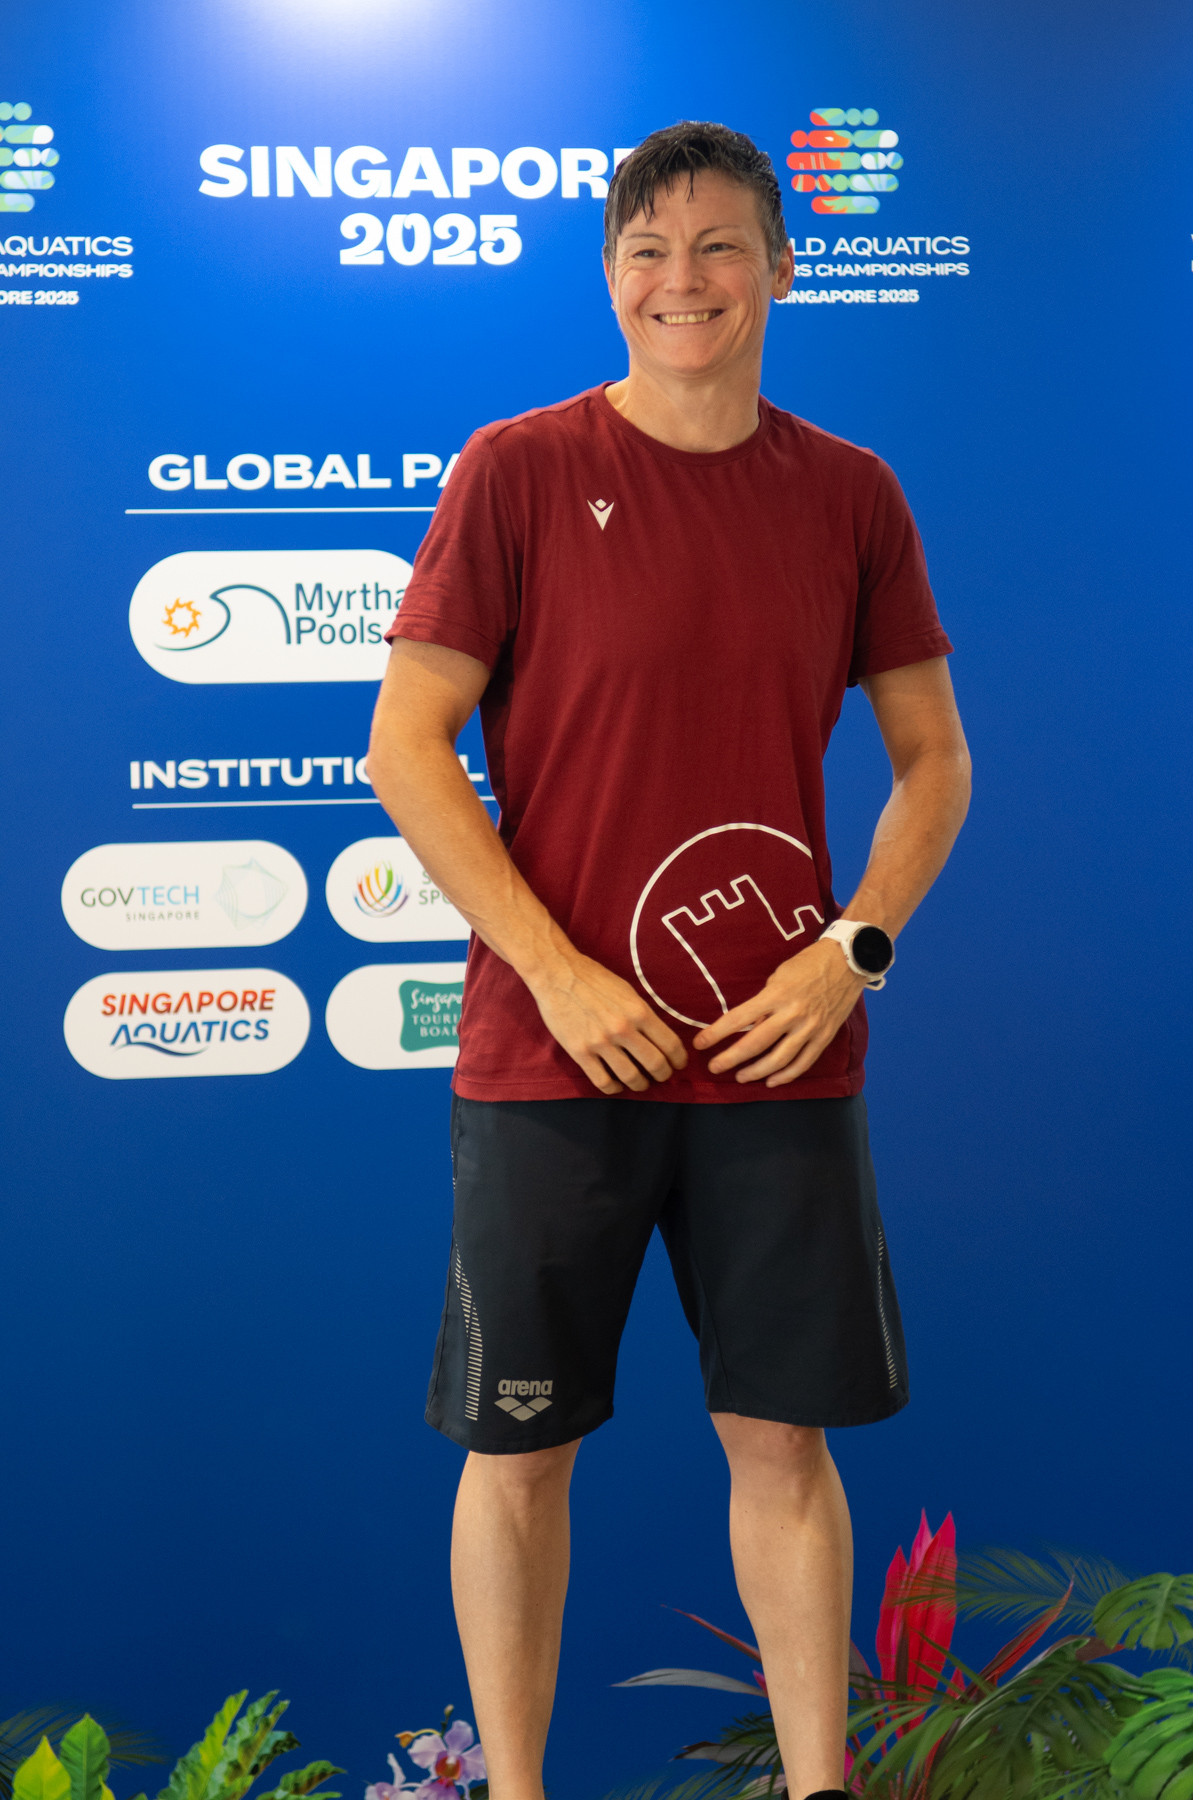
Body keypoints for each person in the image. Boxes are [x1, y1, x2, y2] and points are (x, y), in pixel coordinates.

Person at [367, 120, 971, 1800]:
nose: (678, 280)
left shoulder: (849, 493)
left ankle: (817, 1786)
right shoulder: (516, 470)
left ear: (780, 266)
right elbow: (406, 746)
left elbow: (933, 760)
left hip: (779, 1055)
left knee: (782, 1444)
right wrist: (559, 974)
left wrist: (849, 951)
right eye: (644, 250)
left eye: (715, 246)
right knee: (518, 1454)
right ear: (607, 276)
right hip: (551, 1052)